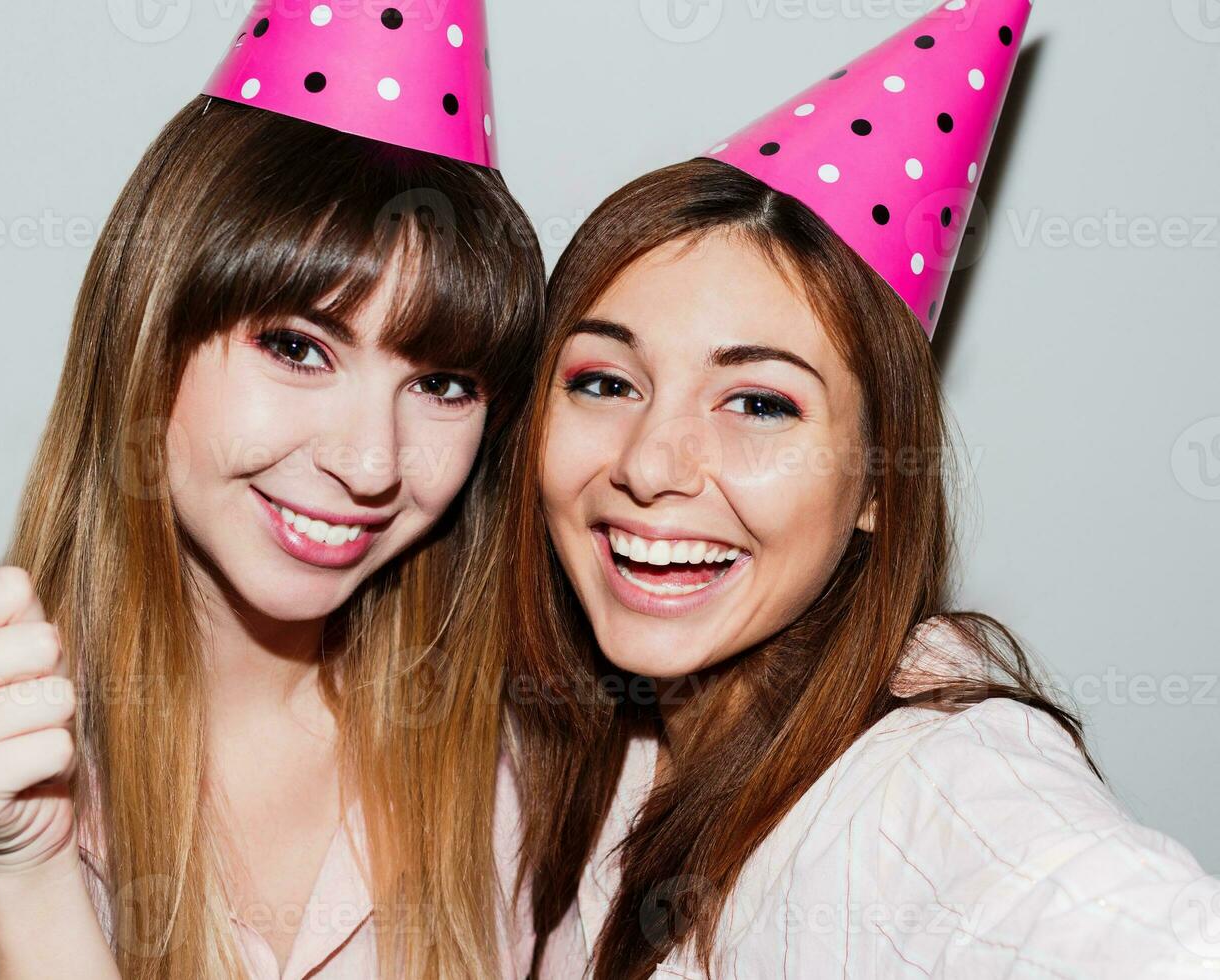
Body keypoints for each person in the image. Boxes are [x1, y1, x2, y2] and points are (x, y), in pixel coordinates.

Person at [0, 4, 547, 978]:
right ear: (146, 337)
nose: (373, 462)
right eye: (298, 347)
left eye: (441, 383)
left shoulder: (543, 748)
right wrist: (19, 869)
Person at [491, 1, 1220, 976]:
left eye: (757, 402)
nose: (650, 463)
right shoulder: (583, 741)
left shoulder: (933, 781)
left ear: (879, 480)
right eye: (605, 382)